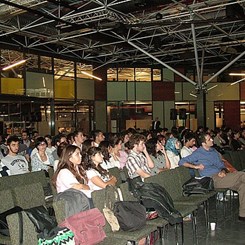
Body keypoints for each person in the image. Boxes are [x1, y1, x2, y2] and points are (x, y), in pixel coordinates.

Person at [178, 132, 245, 221]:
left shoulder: (213, 151)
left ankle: (242, 215)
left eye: (211, 138)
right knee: (242, 175)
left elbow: (221, 165)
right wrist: (196, 166)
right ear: (203, 143)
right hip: (212, 179)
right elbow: (181, 162)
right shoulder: (198, 153)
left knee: (242, 186)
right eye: (209, 139)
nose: (212, 140)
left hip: (222, 176)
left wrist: (223, 171)